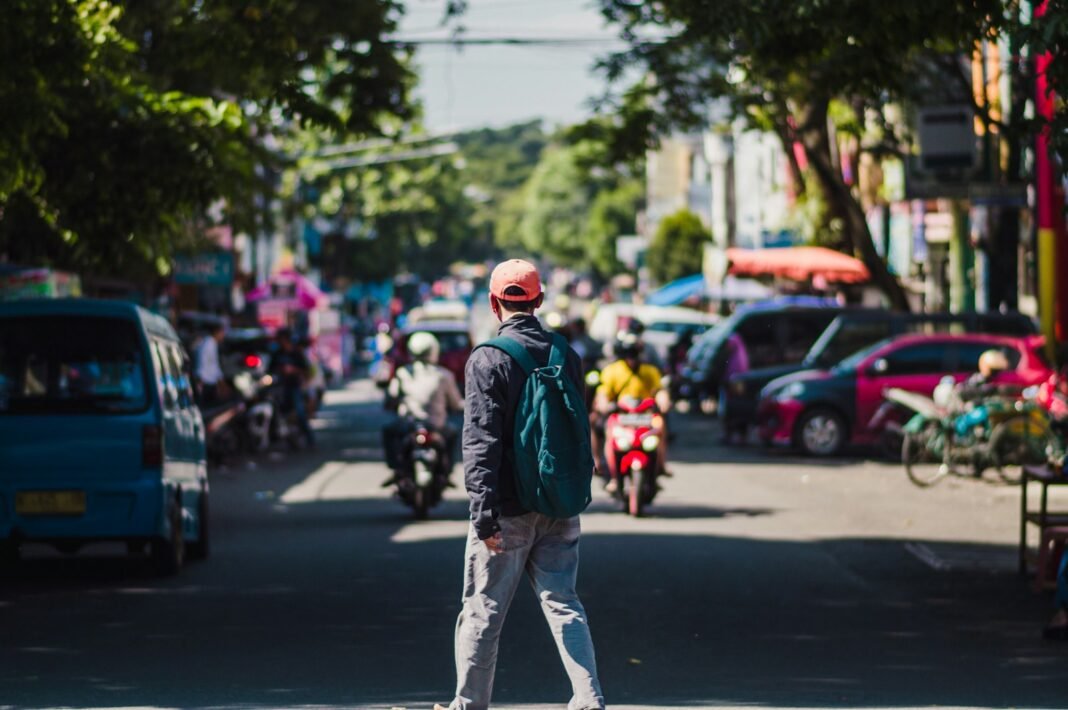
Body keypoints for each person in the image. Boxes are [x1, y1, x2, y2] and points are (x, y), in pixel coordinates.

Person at [437, 259, 604, 710]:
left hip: (508, 511)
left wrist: (483, 515)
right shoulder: (566, 353)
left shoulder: (488, 358)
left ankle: (469, 705)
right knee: (564, 603)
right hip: (558, 502)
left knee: (483, 612)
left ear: (494, 304)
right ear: (539, 300)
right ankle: (589, 698)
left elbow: (481, 443)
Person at [594, 329, 671, 493]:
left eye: (634, 353)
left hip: (646, 417)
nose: (632, 358)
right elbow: (603, 394)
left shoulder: (649, 371)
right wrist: (604, 405)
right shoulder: (612, 371)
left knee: (661, 425)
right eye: (628, 353)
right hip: (621, 417)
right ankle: (614, 477)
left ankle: (660, 465)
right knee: (610, 434)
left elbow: (659, 390)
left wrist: (663, 402)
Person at [382, 331, 463, 473]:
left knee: (388, 431)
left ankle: (395, 467)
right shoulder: (443, 375)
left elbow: (391, 397)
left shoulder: (403, 373)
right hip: (437, 425)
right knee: (453, 433)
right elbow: (456, 403)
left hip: (408, 425)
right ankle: (448, 469)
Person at [268, 328, 314, 447]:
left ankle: (309, 439)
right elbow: (269, 370)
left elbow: (306, 370)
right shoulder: (277, 353)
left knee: (300, 413)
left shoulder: (296, 353)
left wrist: (293, 370)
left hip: (294, 386)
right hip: (279, 388)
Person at [194, 323, 227, 406]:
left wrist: (220, 379)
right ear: (216, 332)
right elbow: (203, 362)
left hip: (210, 381)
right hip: (205, 381)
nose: (223, 336)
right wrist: (200, 379)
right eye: (222, 333)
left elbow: (214, 364)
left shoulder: (213, 344)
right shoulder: (207, 344)